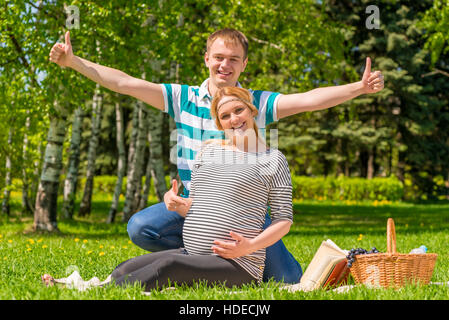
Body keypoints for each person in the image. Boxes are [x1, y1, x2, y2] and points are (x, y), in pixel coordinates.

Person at [49, 28, 384, 284]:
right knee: (141, 227)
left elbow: (311, 99)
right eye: (219, 57)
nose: (225, 64)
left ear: (244, 64)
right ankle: (204, 255)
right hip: (193, 207)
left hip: (244, 214)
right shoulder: (182, 98)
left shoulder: (256, 103)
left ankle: (226, 255)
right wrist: (73, 61)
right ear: (207, 58)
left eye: (234, 59)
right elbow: (124, 82)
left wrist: (359, 87)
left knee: (288, 280)